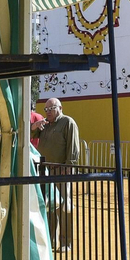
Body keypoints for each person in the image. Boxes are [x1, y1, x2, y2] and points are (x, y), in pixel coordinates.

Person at [35, 99, 81, 251]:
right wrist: (34, 126)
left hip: (61, 170)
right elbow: (27, 134)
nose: (48, 111)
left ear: (60, 108)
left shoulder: (68, 122)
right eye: (46, 108)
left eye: (51, 108)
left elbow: (73, 145)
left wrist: (69, 165)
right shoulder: (45, 124)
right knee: (49, 205)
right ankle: (50, 239)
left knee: (63, 206)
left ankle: (66, 242)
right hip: (45, 171)